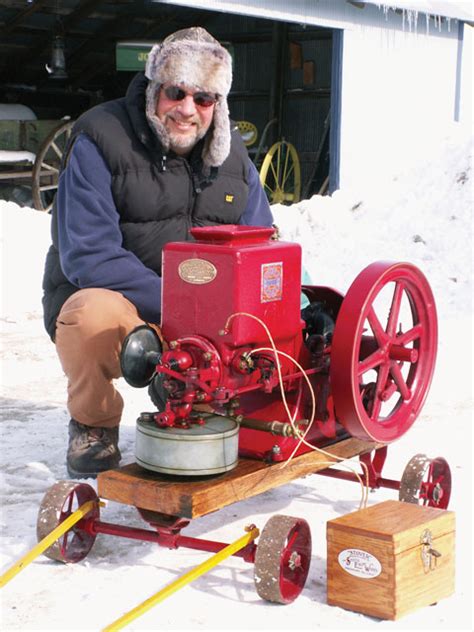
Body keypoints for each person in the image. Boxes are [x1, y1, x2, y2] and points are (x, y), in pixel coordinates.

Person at [42, 27, 273, 479]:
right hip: (116, 298)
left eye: (203, 99)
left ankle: (181, 389)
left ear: (217, 105)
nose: (188, 110)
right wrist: (183, 306)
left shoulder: (234, 160)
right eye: (176, 92)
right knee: (91, 316)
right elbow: (89, 256)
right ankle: (94, 425)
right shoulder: (100, 136)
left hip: (198, 316)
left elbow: (260, 245)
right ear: (154, 89)